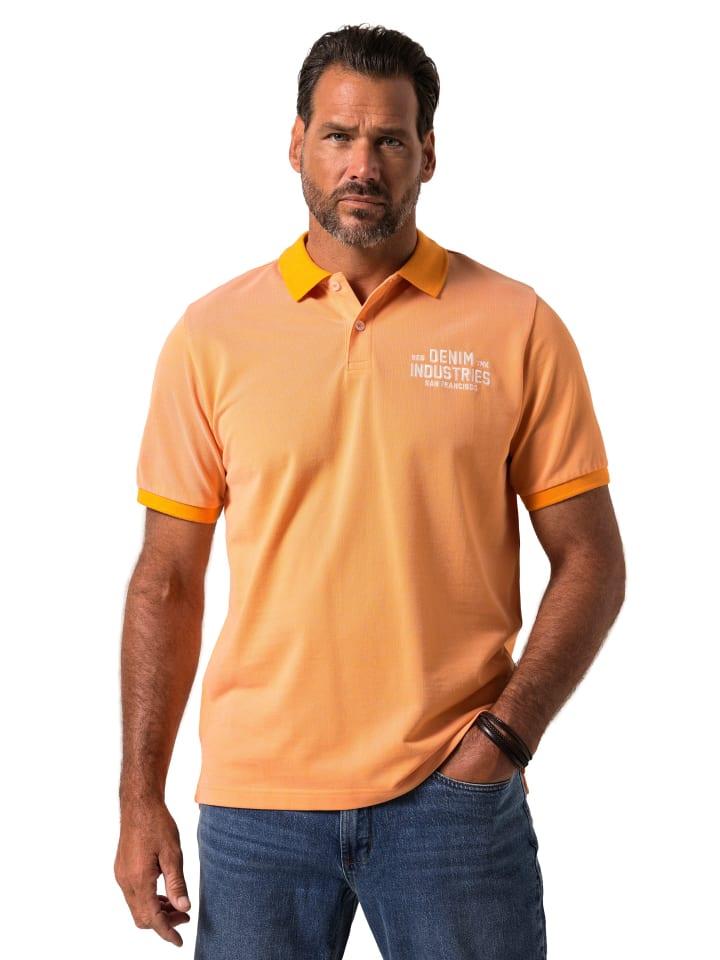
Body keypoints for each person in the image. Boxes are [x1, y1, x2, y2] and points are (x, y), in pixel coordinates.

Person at [114, 22, 626, 960]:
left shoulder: (517, 326)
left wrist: (505, 741)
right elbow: (167, 581)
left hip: (452, 799)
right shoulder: (210, 337)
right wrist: (138, 795)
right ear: (296, 143)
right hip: (258, 807)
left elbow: (591, 558)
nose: (363, 164)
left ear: (427, 152)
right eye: (339, 136)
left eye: (390, 139)